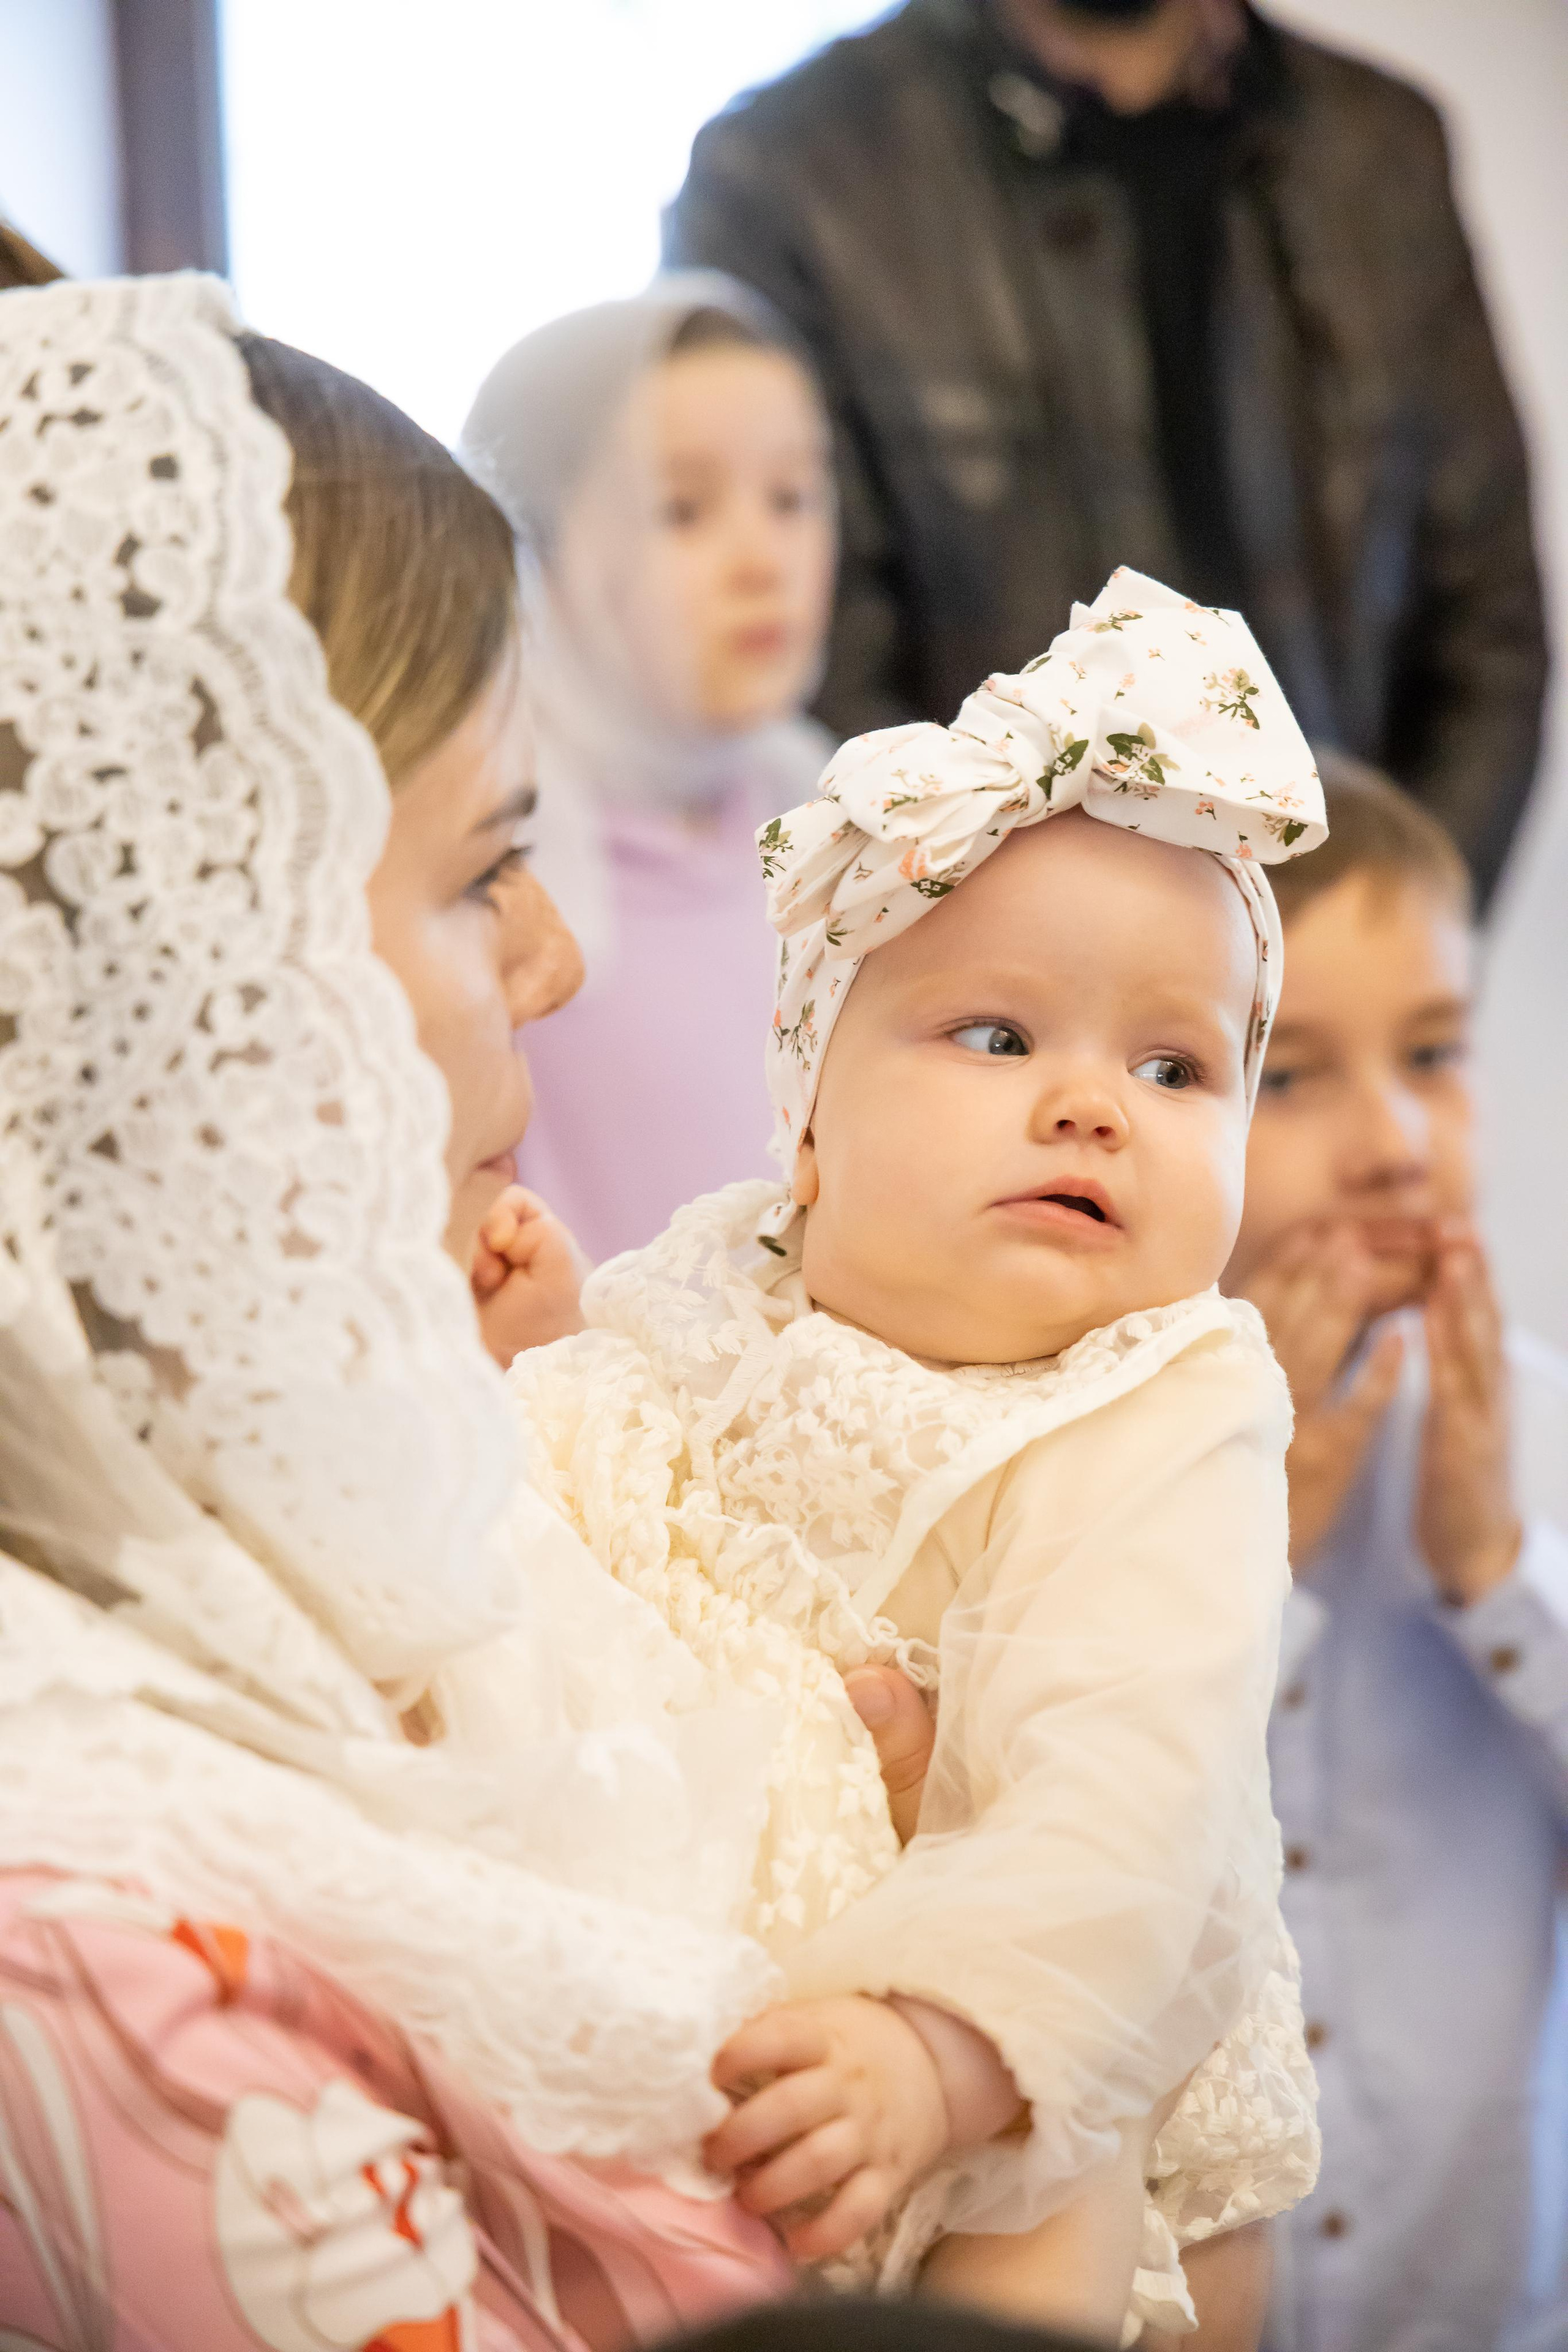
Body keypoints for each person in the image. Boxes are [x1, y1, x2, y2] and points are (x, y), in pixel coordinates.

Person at [0, 270, 932, 2349]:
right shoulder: (103, 1972)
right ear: (182, 991)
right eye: (475, 869)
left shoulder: (393, 1557)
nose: (555, 962)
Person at [503, 570, 1327, 2346]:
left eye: (1181, 1068)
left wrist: (943, 2050)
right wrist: (514, 1350)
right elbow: (586, 1473)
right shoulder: (725, 1283)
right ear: (804, 1129)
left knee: (1045, 2214)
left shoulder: (1162, 1405)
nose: (1092, 1102)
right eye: (999, 1036)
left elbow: (1128, 1801)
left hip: (1051, 2031)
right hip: (762, 2019)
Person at [663, 0, 1548, 910]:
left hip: (1339, 937)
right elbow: (804, 659)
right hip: (1002, 960)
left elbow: (1489, 620)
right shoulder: (794, 169)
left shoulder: (1376, 145)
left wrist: (1380, 932)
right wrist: (1038, 971)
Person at [1218, 758, 1568, 2352]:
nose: (1395, 1143)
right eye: (1292, 1078)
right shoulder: (1062, 1480)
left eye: (1433, 1056)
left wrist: (1500, 1575)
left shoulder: (1534, 1439)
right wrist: (1246, 1554)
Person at [461, 276, 837, 1283]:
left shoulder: (843, 820)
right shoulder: (485, 872)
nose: (765, 559)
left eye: (794, 497)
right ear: (544, 546)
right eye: (683, 509)